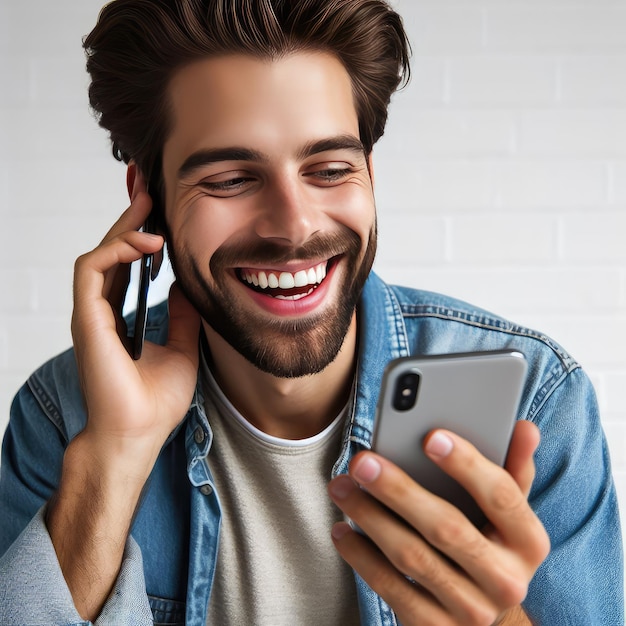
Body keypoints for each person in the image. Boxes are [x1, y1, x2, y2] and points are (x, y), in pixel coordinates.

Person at [0, 0, 622, 624]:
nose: (294, 225)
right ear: (148, 199)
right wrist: (113, 455)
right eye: (229, 178)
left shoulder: (534, 399)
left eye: (329, 169)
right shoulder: (63, 416)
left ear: (369, 177)